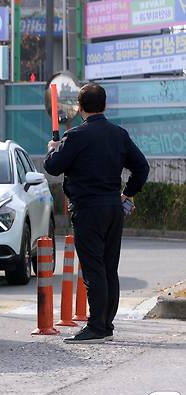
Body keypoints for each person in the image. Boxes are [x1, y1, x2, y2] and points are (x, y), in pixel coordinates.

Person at [44, 83, 149, 344]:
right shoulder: (119, 135)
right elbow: (142, 168)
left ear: (79, 108)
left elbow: (53, 168)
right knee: (109, 268)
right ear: (105, 105)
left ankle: (97, 327)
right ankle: (106, 324)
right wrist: (128, 194)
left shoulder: (76, 136)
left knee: (93, 270)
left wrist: (53, 148)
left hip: (88, 208)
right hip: (113, 207)